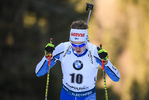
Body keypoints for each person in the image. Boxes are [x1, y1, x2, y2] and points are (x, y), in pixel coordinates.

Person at [35, 20, 120, 100]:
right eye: (74, 44)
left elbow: (116, 77)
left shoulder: (94, 51)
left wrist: (106, 62)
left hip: (87, 96)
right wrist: (46, 57)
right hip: (67, 95)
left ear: (87, 41)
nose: (77, 48)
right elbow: (39, 72)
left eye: (81, 44)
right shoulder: (63, 48)